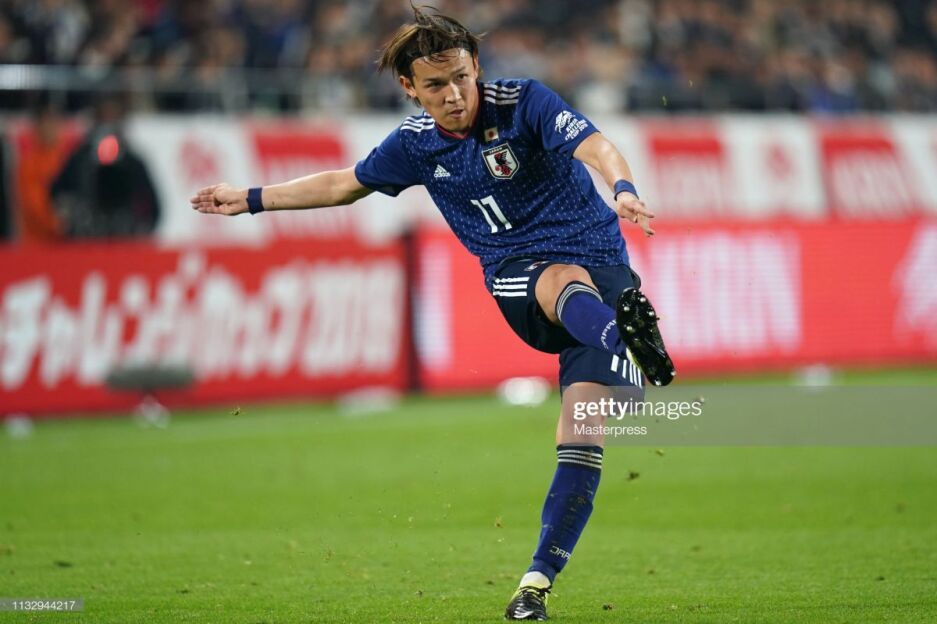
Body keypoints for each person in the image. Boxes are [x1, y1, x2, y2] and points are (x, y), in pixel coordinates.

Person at [191, 6, 675, 620]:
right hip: (519, 276)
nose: (453, 95)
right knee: (562, 280)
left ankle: (535, 585)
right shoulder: (415, 145)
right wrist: (253, 198)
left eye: (461, 78)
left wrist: (623, 187)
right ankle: (623, 340)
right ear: (410, 88)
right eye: (436, 85)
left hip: (605, 265)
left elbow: (595, 144)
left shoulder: (523, 101)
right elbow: (344, 184)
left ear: (477, 68)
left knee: (581, 435)